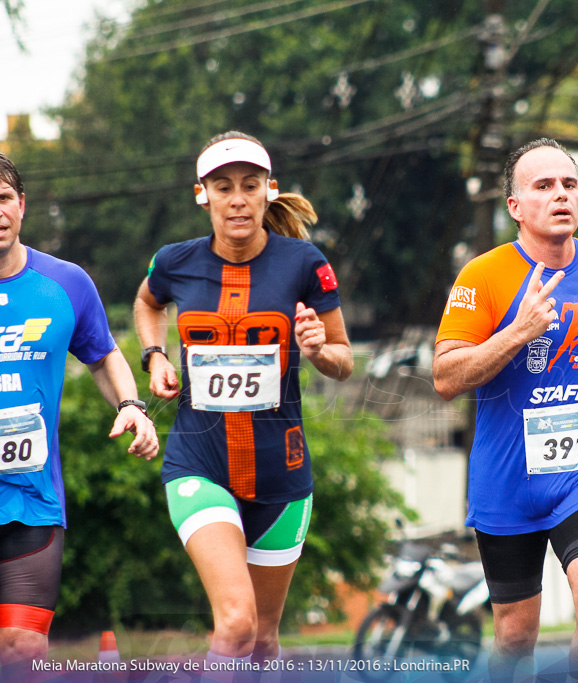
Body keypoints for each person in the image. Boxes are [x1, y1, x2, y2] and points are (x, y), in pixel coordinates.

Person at [133, 132, 354, 669]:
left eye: (249, 187)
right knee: (234, 623)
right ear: (201, 194)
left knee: (262, 640)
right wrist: (155, 356)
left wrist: (319, 350)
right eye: (223, 187)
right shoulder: (174, 261)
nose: (237, 199)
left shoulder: (304, 262)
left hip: (282, 473)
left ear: (268, 192)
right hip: (198, 463)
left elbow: (343, 361)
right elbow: (147, 303)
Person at [433, 138, 578, 674]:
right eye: (544, 186)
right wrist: (518, 332)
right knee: (515, 634)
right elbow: (445, 377)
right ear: (515, 207)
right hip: (507, 479)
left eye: (570, 184)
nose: (561, 195)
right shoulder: (482, 276)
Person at [0, 153, 159, 675]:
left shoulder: (65, 283)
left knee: (23, 651)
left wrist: (132, 406)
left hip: (31, 499)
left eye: (3, 199)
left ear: (21, 205)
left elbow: (103, 352)